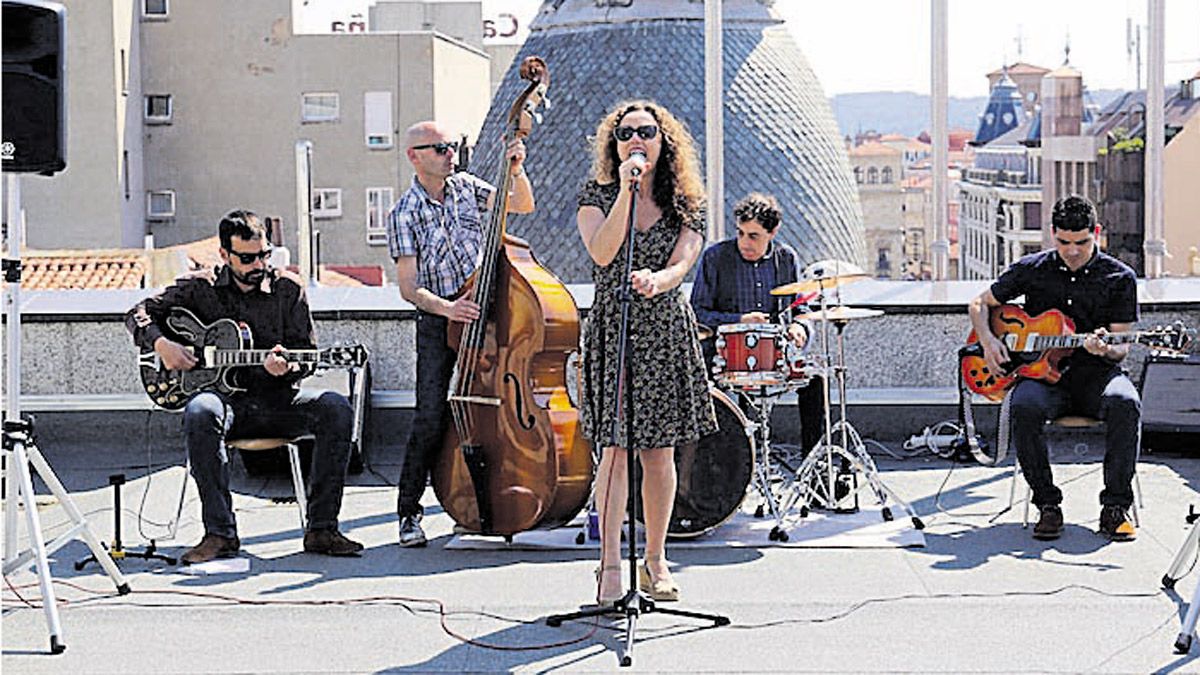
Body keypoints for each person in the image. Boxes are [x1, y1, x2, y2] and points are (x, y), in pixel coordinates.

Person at [126, 210, 363, 564]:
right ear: (225, 255)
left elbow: (309, 357)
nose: (258, 265)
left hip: (278, 400)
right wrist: (161, 344)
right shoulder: (199, 288)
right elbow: (137, 312)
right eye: (248, 258)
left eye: (264, 255)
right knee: (200, 410)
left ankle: (322, 529)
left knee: (335, 407)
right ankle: (219, 533)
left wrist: (287, 367)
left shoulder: (288, 290)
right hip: (225, 404)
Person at [577, 100, 718, 606]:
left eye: (647, 132)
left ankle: (656, 560)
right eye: (625, 133)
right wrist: (625, 192)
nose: (636, 139)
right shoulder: (596, 195)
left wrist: (659, 280)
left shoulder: (685, 202)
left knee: (658, 454)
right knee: (614, 452)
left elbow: (684, 262)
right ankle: (610, 564)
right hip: (614, 329)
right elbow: (601, 252)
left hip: (661, 329)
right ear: (614, 146)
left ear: (665, 142)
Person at [387, 120, 533, 547]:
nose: (449, 153)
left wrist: (517, 167)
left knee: (499, 403)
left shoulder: (467, 187)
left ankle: (489, 498)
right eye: (438, 148)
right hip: (440, 318)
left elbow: (521, 205)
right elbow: (409, 288)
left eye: (452, 145)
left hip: (487, 307)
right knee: (430, 415)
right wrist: (450, 309)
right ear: (414, 156)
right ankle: (409, 513)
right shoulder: (404, 213)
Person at [968, 195, 1141, 542]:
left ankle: (1115, 508)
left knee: (1126, 402)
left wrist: (1104, 349)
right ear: (1052, 234)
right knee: (1023, 406)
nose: (1072, 250)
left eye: (1081, 242)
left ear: (1096, 233)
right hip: (1043, 378)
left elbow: (1121, 348)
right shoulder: (1032, 269)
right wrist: (988, 341)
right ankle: (1047, 504)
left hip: (1098, 377)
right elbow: (979, 303)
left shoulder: (1119, 278)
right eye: (1063, 242)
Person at [690, 192, 826, 455]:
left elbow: (802, 308)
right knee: (699, 381)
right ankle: (718, 466)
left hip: (773, 356)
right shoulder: (715, 258)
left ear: (773, 232)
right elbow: (697, 312)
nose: (744, 242)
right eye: (740, 233)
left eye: (753, 236)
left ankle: (814, 465)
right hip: (722, 357)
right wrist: (739, 321)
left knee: (816, 381)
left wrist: (800, 327)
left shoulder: (786, 259)